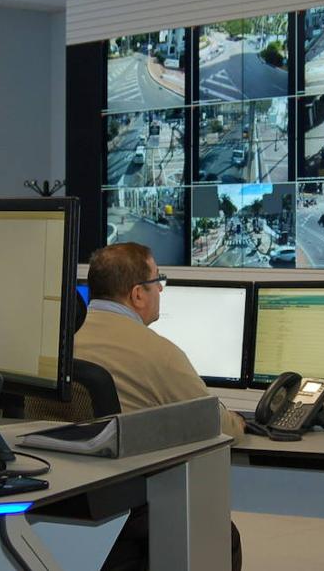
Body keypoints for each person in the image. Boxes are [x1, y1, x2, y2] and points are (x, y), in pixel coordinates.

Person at [75, 242, 244, 571]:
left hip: (59, 503)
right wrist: (238, 422)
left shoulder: (61, 342)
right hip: (123, 511)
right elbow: (218, 426)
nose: (161, 290)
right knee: (222, 533)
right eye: (157, 281)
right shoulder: (158, 353)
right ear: (138, 294)